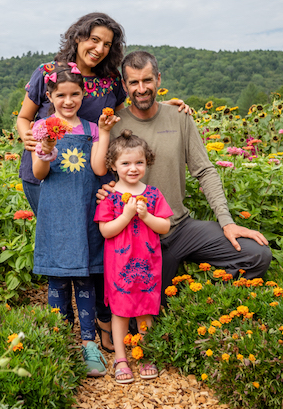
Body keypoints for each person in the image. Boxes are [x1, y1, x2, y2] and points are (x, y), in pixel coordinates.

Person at [16, 13, 190, 354]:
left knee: (95, 244)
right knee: (62, 247)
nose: (98, 48)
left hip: (91, 176)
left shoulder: (110, 81)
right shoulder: (47, 73)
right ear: (78, 37)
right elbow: (24, 116)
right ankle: (63, 329)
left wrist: (165, 105)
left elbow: (128, 112)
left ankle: (101, 318)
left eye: (107, 44)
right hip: (45, 173)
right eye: (93, 39)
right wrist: (32, 139)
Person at [101, 50, 272, 309]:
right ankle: (170, 301)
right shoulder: (114, 125)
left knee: (257, 255)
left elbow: (204, 170)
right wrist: (104, 189)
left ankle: (203, 300)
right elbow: (101, 173)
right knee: (149, 311)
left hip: (181, 228)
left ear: (158, 79)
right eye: (134, 82)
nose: (141, 88)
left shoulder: (180, 116)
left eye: (147, 80)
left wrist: (227, 223)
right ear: (124, 85)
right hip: (140, 237)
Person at [31, 63, 119, 377]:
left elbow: (98, 169)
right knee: (56, 279)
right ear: (50, 96)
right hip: (55, 212)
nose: (68, 101)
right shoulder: (42, 127)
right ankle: (59, 341)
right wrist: (46, 147)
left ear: (82, 94)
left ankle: (88, 343)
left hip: (84, 212)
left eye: (75, 94)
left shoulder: (91, 128)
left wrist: (106, 132)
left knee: (84, 276)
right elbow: (40, 173)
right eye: (61, 95)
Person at [95, 130, 173, 384]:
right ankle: (121, 359)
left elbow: (165, 227)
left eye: (139, 162)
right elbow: (106, 231)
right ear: (113, 166)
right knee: (120, 310)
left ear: (147, 162)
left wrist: (147, 216)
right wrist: (127, 215)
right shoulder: (110, 196)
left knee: (145, 310)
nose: (133, 168)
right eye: (125, 163)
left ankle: (146, 354)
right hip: (119, 266)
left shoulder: (152, 194)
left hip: (148, 264)